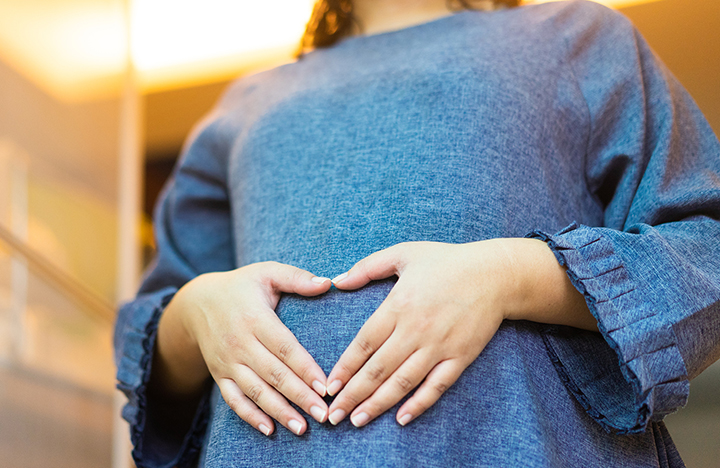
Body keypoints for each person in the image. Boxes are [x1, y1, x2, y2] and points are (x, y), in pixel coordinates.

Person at [114, 0, 720, 466]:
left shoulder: (579, 38)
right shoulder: (246, 101)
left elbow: (708, 247)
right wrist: (198, 311)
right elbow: (153, 331)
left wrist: (508, 276)